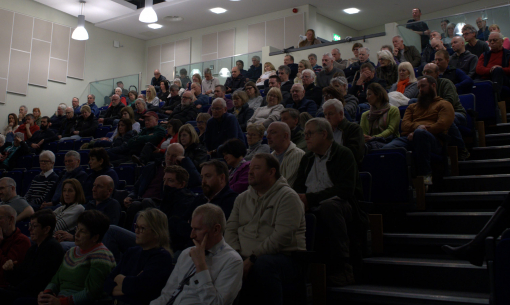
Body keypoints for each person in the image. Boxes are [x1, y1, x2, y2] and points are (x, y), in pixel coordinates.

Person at [226, 154, 306, 305]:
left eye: (256, 168)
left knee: (263, 266)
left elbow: (282, 237)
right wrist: (235, 256)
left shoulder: (288, 197)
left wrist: (253, 258)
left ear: (271, 172)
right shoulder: (242, 198)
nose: (250, 172)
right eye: (250, 168)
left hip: (283, 257)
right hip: (243, 256)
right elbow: (230, 229)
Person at [293, 118, 364, 286]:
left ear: (324, 134)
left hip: (342, 205)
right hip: (312, 204)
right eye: (305, 134)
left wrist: (310, 199)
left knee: (329, 207)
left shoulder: (343, 154)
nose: (306, 138)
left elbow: (345, 190)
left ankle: (344, 269)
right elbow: (298, 187)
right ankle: (298, 272)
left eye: (309, 134)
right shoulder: (307, 158)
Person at [150, 203, 243, 305]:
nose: (192, 235)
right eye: (192, 228)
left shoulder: (232, 261)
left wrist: (201, 266)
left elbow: (216, 303)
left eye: (197, 229)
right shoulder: (186, 253)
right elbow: (167, 294)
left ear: (216, 229)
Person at [0, 210, 64, 305]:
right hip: (24, 289)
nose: (30, 229)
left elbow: (38, 280)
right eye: (30, 225)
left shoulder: (52, 248)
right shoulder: (33, 248)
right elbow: (21, 275)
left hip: (37, 292)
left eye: (34, 226)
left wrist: (14, 288)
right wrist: (9, 270)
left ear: (46, 229)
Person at [381, 76, 454, 185]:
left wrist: (418, 130)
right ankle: (397, 184)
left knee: (420, 134)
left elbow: (442, 125)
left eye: (423, 86)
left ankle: (426, 177)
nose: (420, 90)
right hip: (409, 138)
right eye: (418, 87)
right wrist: (418, 128)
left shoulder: (444, 104)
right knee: (387, 149)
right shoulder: (412, 107)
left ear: (433, 86)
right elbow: (404, 126)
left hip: (433, 140)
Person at [32, 211, 116, 305]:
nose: (77, 234)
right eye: (77, 229)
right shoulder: (71, 252)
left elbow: (91, 293)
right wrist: (46, 294)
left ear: (95, 237)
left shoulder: (101, 257)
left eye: (83, 231)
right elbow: (56, 280)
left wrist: (60, 302)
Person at [102, 209, 174, 304]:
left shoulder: (161, 257)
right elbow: (107, 282)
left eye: (142, 228)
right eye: (136, 226)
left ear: (157, 232)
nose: (136, 231)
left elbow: (141, 288)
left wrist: (121, 280)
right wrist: (128, 286)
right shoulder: (131, 252)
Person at [475, 31, 510, 98]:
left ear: (502, 41)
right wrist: (491, 70)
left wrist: (499, 69)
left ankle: (496, 99)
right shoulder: (484, 55)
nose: (492, 42)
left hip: (504, 78)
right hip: (487, 78)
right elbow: (478, 69)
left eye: (495, 40)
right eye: (490, 41)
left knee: (498, 71)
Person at [360, 83, 401, 152]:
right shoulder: (365, 115)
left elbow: (391, 130)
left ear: (378, 95)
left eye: (369, 94)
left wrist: (374, 138)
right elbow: (363, 133)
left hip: (389, 141)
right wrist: (367, 138)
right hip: (370, 142)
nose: (367, 98)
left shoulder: (393, 110)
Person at [321, 99, 365, 163]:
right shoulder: (324, 132)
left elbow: (354, 155)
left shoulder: (353, 129)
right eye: (325, 114)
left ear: (341, 114)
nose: (327, 117)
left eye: (330, 114)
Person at [266, 121, 305, 186]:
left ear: (285, 136)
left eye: (272, 133)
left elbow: (287, 185)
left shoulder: (297, 155)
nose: (267, 136)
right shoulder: (271, 156)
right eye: (267, 133)